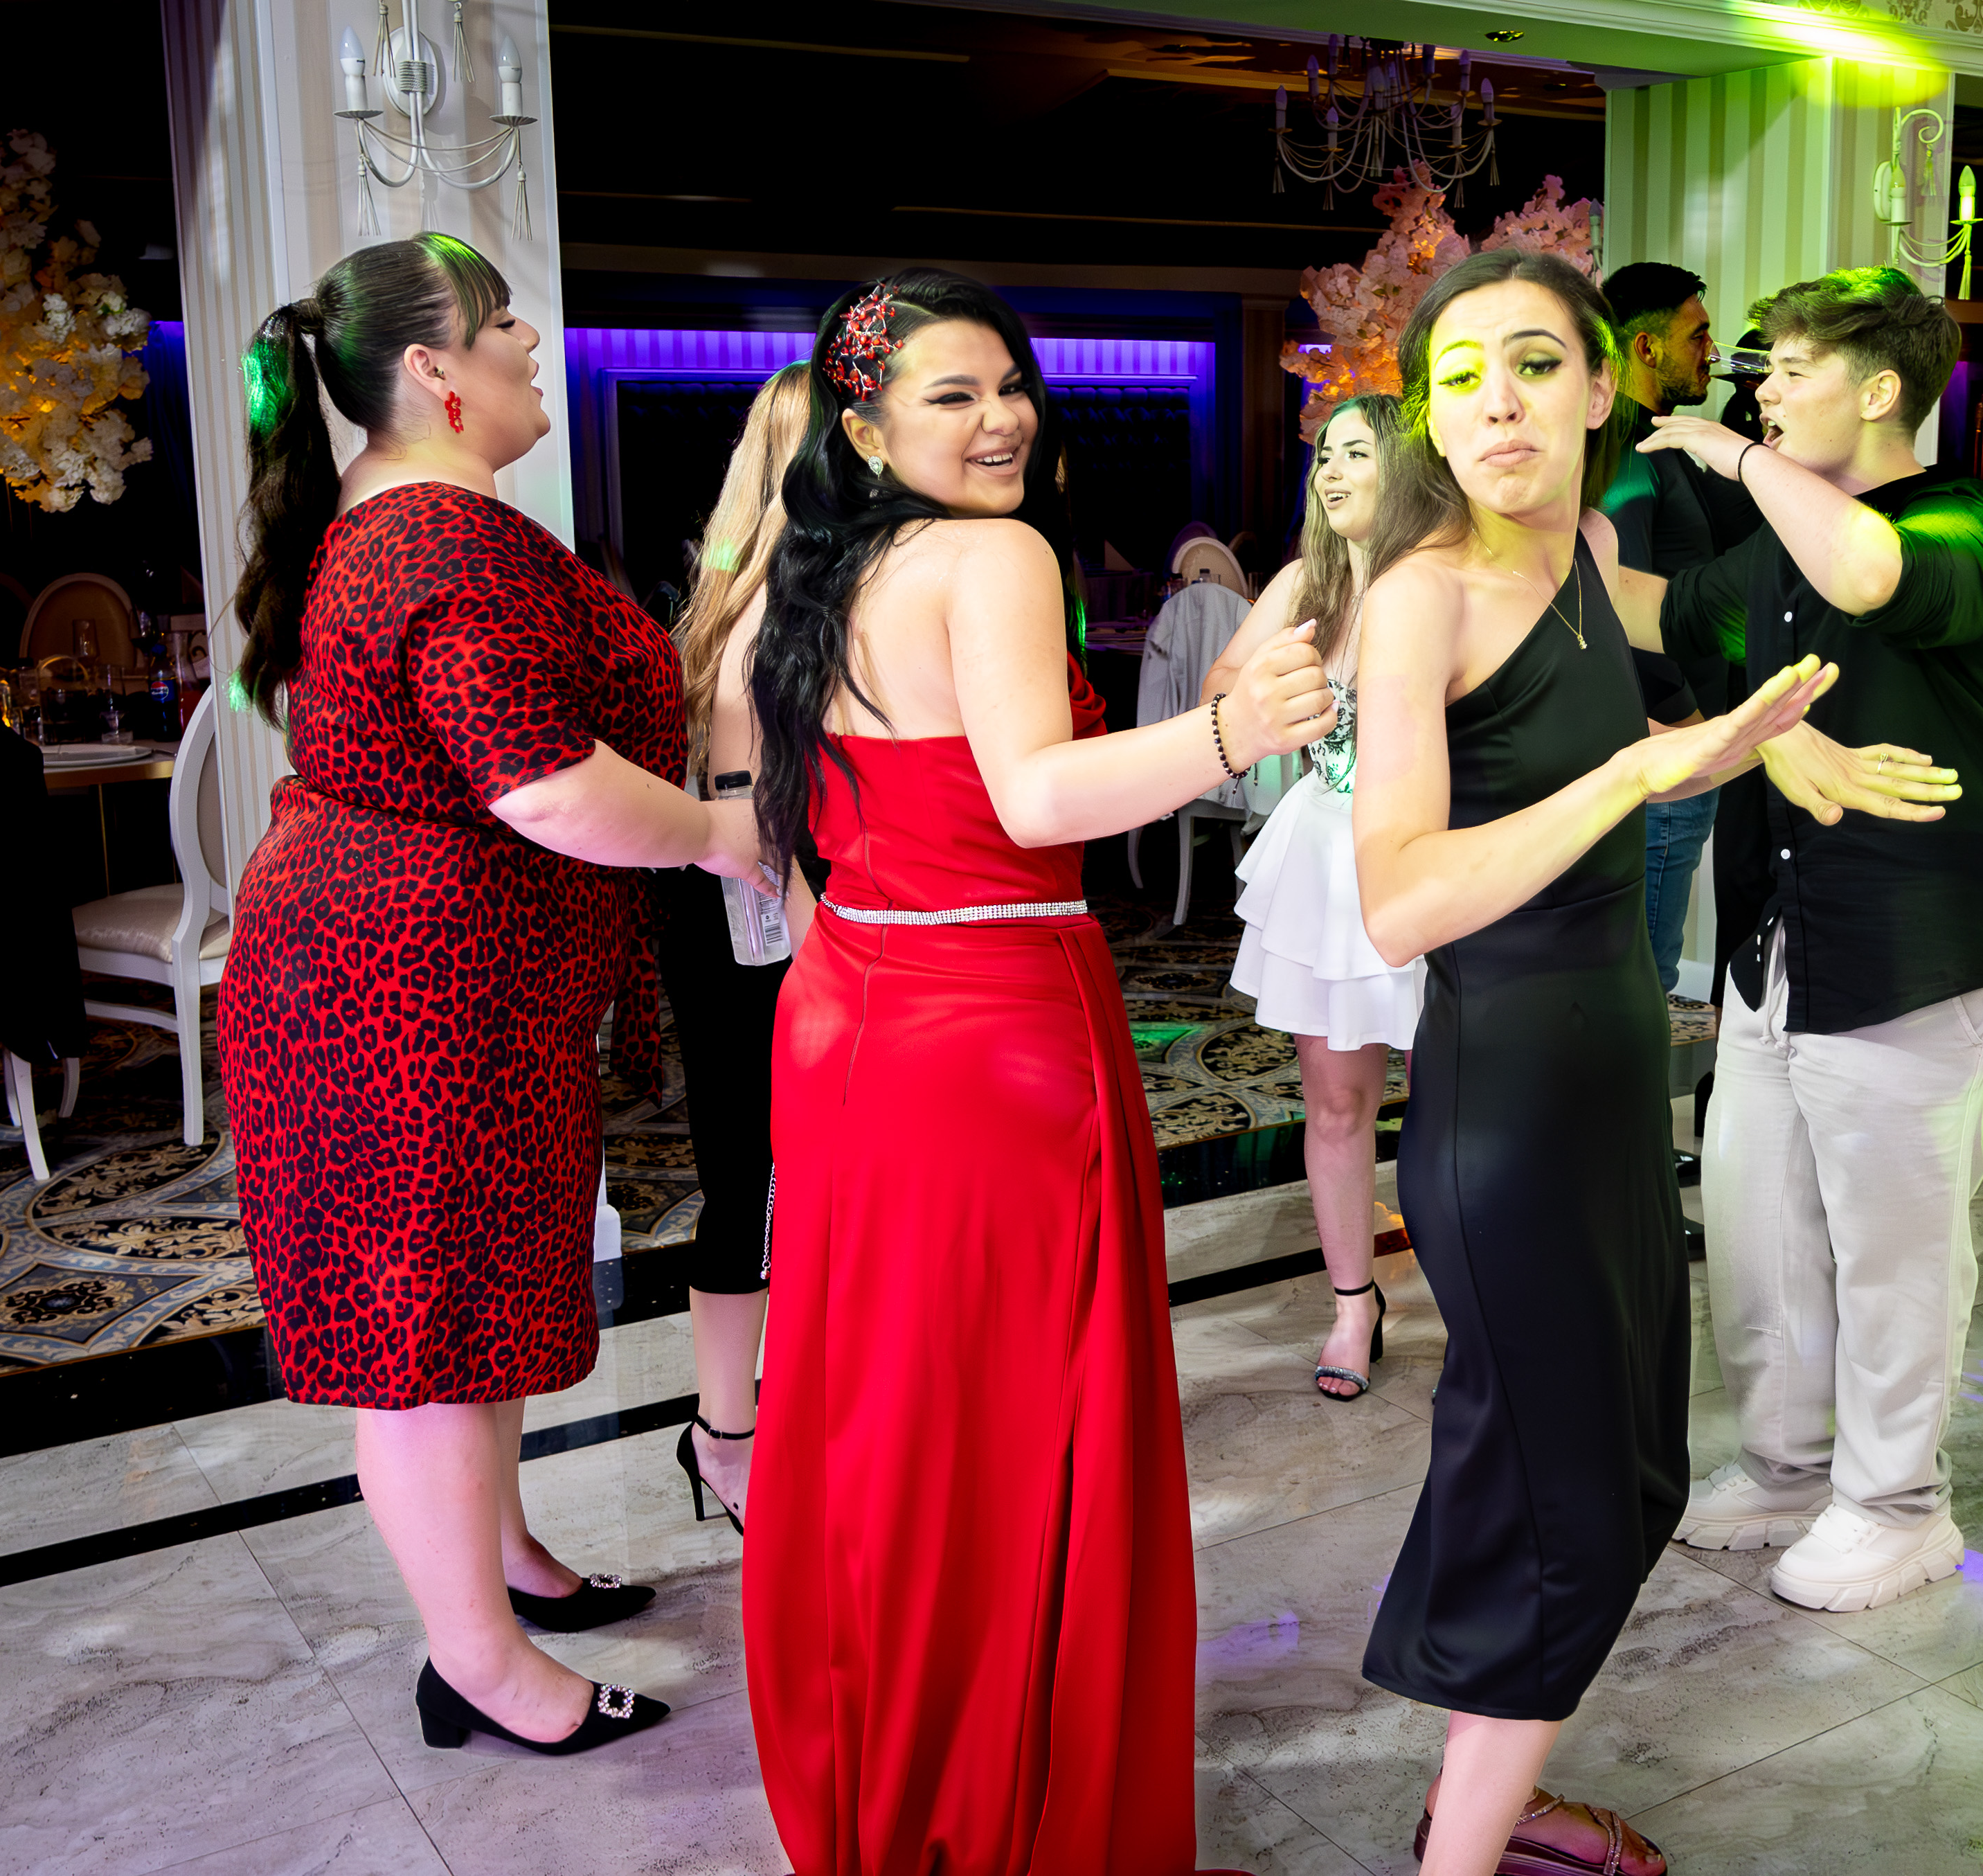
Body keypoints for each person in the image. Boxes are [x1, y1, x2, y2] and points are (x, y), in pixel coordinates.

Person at [739, 267, 1331, 1875]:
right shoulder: (993, 556)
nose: (1001, 418)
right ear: (866, 428)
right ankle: (1015, 1806)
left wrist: (1217, 699)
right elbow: (1031, 798)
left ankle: (903, 1779)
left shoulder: (830, 566)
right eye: (953, 395)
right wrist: (1232, 737)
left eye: (1011, 384)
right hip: (990, 1026)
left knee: (887, 1420)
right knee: (1010, 1436)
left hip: (854, 1009)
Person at [1345, 245, 1887, 1876]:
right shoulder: (1419, 597)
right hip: (1506, 1114)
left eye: (1532, 364)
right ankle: (1461, 1854)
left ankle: (1490, 1795)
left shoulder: (1584, 553)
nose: (1496, 403)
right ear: (1429, 416)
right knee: (1567, 1510)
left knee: (1626, 1477)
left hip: (1601, 1096)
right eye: (1457, 377)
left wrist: (1758, 743)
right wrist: (1640, 779)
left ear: (1600, 390)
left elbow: (1641, 691)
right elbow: (1398, 901)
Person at [218, 231, 762, 1756]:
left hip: (440, 986)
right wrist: (721, 834)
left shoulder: (411, 519)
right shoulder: (432, 541)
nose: (532, 343)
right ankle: (476, 1664)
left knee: (471, 1313)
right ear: (432, 369)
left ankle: (503, 1558)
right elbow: (539, 783)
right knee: (425, 1345)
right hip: (399, 1000)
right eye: (503, 323)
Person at [1645, 265, 1983, 1612]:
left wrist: (1733, 460)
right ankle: (1787, 1466)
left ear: (1880, 391)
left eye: (1791, 368)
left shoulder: (1963, 519)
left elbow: (1868, 571)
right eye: (1758, 368)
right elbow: (1662, 611)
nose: (1760, 391)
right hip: (1783, 939)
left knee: (1891, 1251)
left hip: (1926, 942)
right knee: (1757, 1226)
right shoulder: (1778, 541)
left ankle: (1897, 1508)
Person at [1202, 392, 1428, 1402]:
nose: (1329, 473)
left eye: (1355, 454)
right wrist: (1270, 702)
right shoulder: (1306, 582)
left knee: (1461, 1104)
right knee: (1337, 1103)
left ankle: (1479, 1294)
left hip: (1441, 859)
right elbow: (1220, 686)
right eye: (1322, 456)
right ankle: (1352, 1304)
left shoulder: (1452, 580)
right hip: (1332, 861)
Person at [654, 360, 811, 1531]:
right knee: (756, 1180)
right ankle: (725, 1434)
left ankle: (748, 1424)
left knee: (765, 1177)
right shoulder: (772, 598)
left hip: (744, 900)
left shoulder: (739, 584)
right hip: (754, 906)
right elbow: (754, 803)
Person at [1598, 260, 1727, 994]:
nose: (1710, 350)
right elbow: (1618, 603)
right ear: (1645, 348)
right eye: (1697, 335)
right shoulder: (1626, 446)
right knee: (1644, 980)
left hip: (1677, 745)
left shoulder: (1661, 440)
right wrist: (1686, 724)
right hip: (1664, 748)